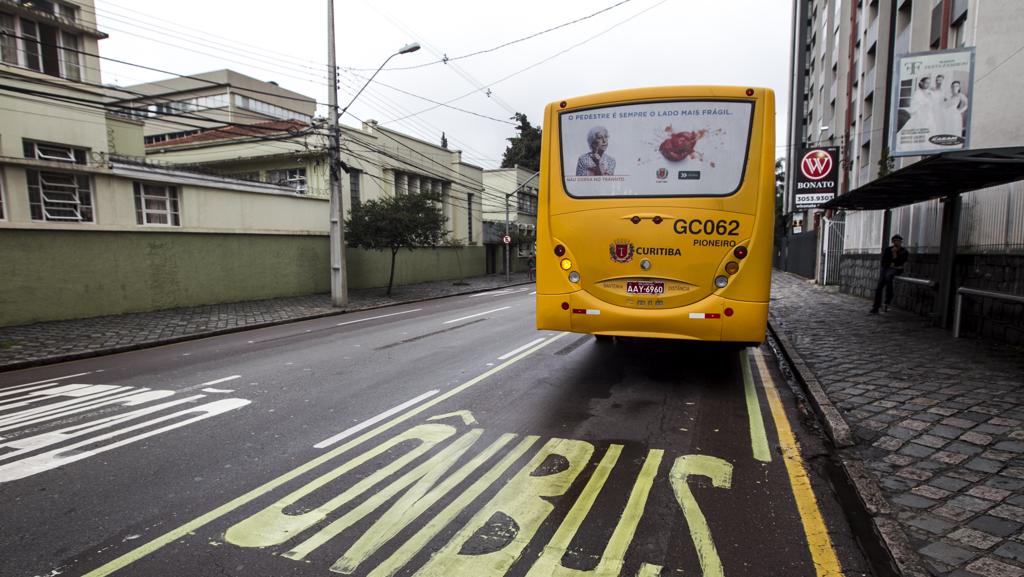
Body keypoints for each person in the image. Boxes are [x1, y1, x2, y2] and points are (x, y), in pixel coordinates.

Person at [870, 234, 910, 314]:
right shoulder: (888, 250)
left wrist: (895, 255)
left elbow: (900, 262)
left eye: (898, 241)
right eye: (895, 241)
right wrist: (891, 264)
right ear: (893, 242)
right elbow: (884, 261)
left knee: (889, 277)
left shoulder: (904, 251)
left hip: (895, 270)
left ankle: (887, 301)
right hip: (887, 268)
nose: (897, 242)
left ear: (901, 242)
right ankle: (876, 307)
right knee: (879, 286)